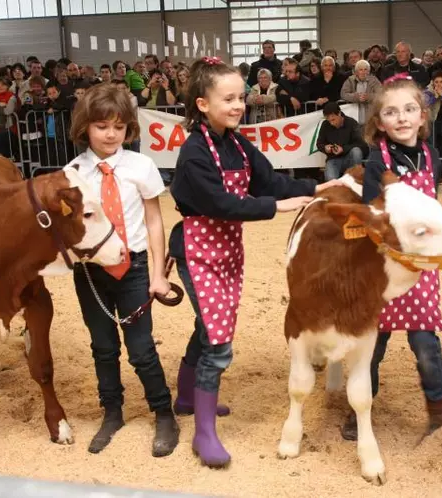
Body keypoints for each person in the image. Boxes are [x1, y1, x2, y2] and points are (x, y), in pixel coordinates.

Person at [167, 56, 339, 469]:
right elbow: (220, 203)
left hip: (227, 249)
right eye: (228, 99)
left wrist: (318, 185)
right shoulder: (194, 153)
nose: (238, 105)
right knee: (219, 339)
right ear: (202, 103)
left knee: (209, 324)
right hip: (197, 250)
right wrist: (275, 207)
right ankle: (203, 432)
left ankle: (188, 396)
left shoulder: (237, 143)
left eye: (240, 98)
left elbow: (270, 180)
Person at [68, 83, 180, 458]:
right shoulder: (72, 173)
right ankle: (111, 412)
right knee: (102, 347)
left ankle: (163, 412)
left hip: (132, 268)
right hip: (90, 274)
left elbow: (153, 221)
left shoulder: (141, 166)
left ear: (129, 129)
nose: (111, 134)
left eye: (118, 126)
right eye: (101, 126)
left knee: (141, 349)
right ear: (86, 127)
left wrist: (158, 273)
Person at [340, 75, 442, 442]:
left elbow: (432, 203)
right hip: (385, 270)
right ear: (379, 123)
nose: (401, 118)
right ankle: (360, 408)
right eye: (391, 112)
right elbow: (375, 215)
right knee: (372, 346)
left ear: (422, 115)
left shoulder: (432, 156)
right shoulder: (376, 163)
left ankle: (438, 405)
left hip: (420, 269)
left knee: (425, 344)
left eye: (409, 109)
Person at [316, 101, 367, 181]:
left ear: (339, 114)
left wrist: (343, 149)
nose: (331, 123)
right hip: (333, 159)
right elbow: (319, 144)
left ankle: (356, 179)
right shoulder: (325, 125)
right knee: (331, 181)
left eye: (333, 120)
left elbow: (362, 144)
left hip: (349, 158)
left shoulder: (351, 123)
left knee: (356, 151)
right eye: (329, 121)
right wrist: (325, 148)